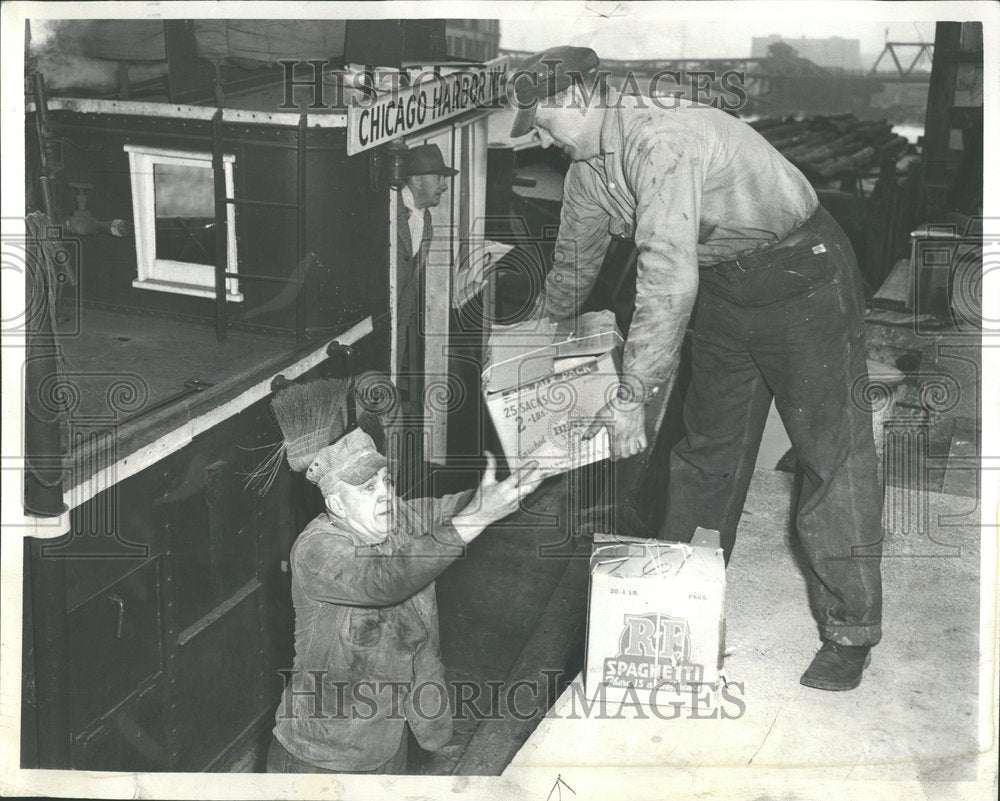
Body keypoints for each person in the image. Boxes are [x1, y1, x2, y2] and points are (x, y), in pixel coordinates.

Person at [509, 46, 882, 691]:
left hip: (801, 277)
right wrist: (527, 350)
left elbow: (667, 278)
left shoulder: (659, 137)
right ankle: (677, 616)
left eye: (542, 121)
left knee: (831, 454)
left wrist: (631, 395)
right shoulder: (587, 174)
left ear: (578, 98)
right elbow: (572, 269)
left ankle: (850, 632)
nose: (540, 137)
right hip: (725, 291)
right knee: (707, 453)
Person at [268, 428, 542, 773]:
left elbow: (452, 508)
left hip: (388, 741)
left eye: (387, 481)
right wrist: (479, 515)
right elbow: (385, 579)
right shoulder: (317, 551)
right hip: (323, 756)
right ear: (336, 504)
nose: (386, 495)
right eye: (369, 488)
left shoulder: (398, 520)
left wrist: (504, 490)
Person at [395, 143, 458, 419]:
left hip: (400, 328)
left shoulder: (427, 218)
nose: (444, 185)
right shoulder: (389, 210)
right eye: (439, 178)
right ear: (418, 180)